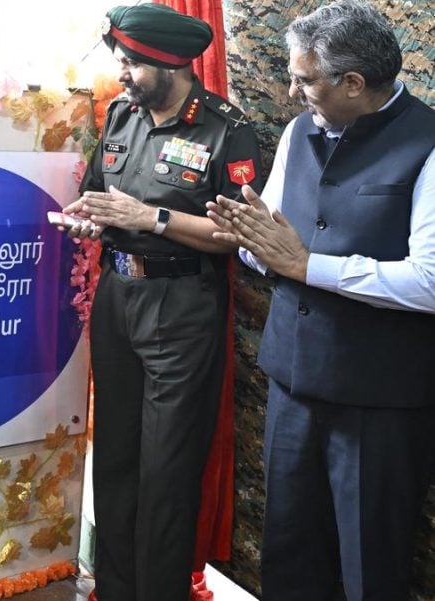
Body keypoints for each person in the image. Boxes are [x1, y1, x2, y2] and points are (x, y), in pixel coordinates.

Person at [206, 1, 435, 599]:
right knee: (288, 556)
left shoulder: (428, 144)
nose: (291, 89)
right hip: (291, 384)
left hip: (378, 402)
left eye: (305, 79)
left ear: (353, 83)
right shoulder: (297, 131)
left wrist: (307, 265)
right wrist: (252, 239)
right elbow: (273, 245)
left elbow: (429, 281)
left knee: (369, 568)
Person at [61, 4, 263, 601]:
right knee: (117, 456)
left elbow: (237, 235)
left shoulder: (226, 129)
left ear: (170, 64)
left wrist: (151, 216)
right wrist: (90, 218)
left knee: (168, 467)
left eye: (131, 63)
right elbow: (100, 193)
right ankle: (116, 590)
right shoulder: (121, 115)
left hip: (182, 307)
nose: (121, 74)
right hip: (118, 298)